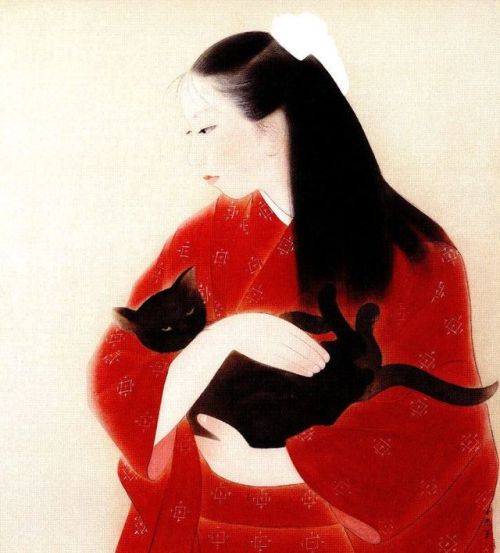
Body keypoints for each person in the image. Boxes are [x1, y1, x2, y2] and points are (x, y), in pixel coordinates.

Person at [88, 26, 498, 553]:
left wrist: (274, 464)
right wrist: (221, 339)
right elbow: (119, 370)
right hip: (210, 530)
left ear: (275, 124)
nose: (194, 154)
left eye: (207, 128)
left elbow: (442, 432)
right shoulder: (201, 240)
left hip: (332, 536)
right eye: (189, 133)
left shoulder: (418, 255)